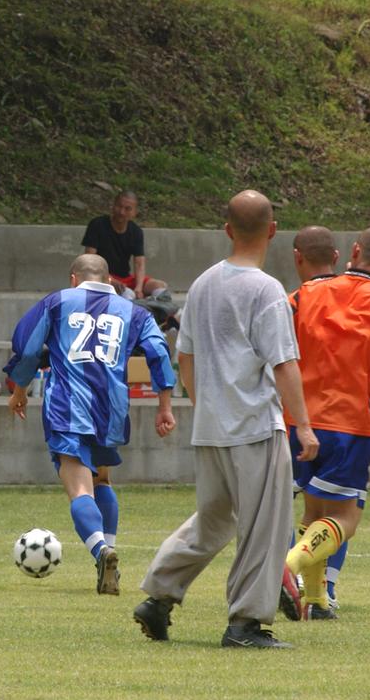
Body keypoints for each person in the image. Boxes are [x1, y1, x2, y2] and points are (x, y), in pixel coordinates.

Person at [133, 190, 318, 649]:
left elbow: (186, 356)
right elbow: (283, 363)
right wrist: (303, 424)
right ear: (273, 231)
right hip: (253, 426)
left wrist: (205, 406)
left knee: (213, 521)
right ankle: (246, 624)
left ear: (227, 229)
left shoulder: (203, 284)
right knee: (264, 527)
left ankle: (159, 595)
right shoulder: (267, 289)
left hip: (212, 428)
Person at [5, 254, 176, 596]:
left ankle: (101, 552)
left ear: (73, 279)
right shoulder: (136, 312)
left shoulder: (57, 301)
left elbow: (27, 347)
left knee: (79, 488)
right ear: (111, 281)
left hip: (68, 405)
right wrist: (165, 406)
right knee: (102, 480)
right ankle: (108, 552)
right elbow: (159, 353)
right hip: (111, 408)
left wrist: (20, 390)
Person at [281, 227, 370, 621]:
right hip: (348, 423)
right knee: (345, 518)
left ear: (353, 251)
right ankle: (288, 566)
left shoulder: (305, 294)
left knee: (314, 513)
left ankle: (317, 599)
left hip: (298, 420)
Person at [285, 225, 349, 614]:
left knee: (299, 509)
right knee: (341, 511)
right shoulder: (360, 298)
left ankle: (305, 589)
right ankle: (322, 587)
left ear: (297, 257)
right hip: (345, 420)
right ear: (338, 257)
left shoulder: (291, 303)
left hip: (295, 418)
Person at [82, 191, 170, 301]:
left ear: (134, 212)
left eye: (127, 209)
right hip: (101, 276)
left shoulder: (136, 231)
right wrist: (109, 279)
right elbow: (89, 260)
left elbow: (139, 263)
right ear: (113, 206)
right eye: (119, 206)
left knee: (160, 286)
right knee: (127, 293)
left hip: (125, 278)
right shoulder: (97, 225)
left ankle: (158, 308)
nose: (122, 212)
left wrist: (138, 288)